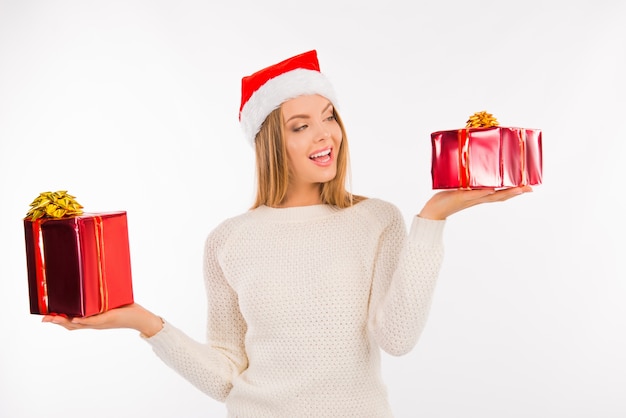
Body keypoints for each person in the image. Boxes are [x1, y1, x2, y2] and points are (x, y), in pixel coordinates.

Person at [44, 50, 532, 417]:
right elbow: (226, 378)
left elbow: (397, 338)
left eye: (329, 118)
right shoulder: (227, 240)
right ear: (271, 143)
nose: (326, 135)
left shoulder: (377, 220)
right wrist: (142, 322)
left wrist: (432, 219)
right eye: (301, 126)